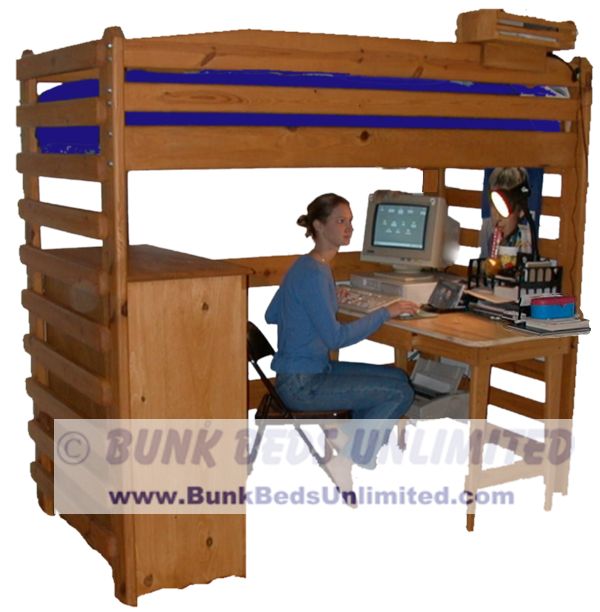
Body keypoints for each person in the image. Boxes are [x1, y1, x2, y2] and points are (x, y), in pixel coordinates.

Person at [265, 193, 417, 494]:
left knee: (398, 377)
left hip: (301, 374)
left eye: (350, 221)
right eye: (340, 221)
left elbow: (272, 313)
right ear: (319, 226)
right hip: (303, 386)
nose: (349, 228)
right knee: (401, 391)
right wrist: (385, 312)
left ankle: (349, 443)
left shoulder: (305, 265)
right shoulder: (315, 273)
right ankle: (351, 456)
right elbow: (336, 338)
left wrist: (328, 299)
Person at [481, 167, 536, 261]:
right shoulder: (488, 231)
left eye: (504, 208)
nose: (498, 217)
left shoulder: (525, 240)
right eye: (494, 205)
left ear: (521, 211)